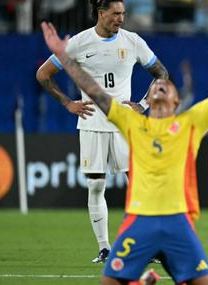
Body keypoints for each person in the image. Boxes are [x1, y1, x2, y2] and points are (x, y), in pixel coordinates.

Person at [41, 18, 208, 285]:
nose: (160, 87)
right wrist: (63, 57)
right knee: (110, 282)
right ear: (148, 99)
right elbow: (94, 90)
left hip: (179, 223)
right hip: (139, 222)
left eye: (167, 86)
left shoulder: (191, 122)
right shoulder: (131, 123)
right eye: (156, 88)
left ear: (177, 100)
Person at [35, 0, 169, 264]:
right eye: (116, 14)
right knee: (96, 185)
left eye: (123, 14)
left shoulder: (133, 41)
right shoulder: (79, 43)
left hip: (125, 124)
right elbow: (43, 74)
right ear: (101, 13)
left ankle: (146, 246)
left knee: (139, 186)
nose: (121, 18)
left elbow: (162, 72)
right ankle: (104, 247)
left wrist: (143, 105)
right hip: (92, 123)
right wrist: (67, 102)